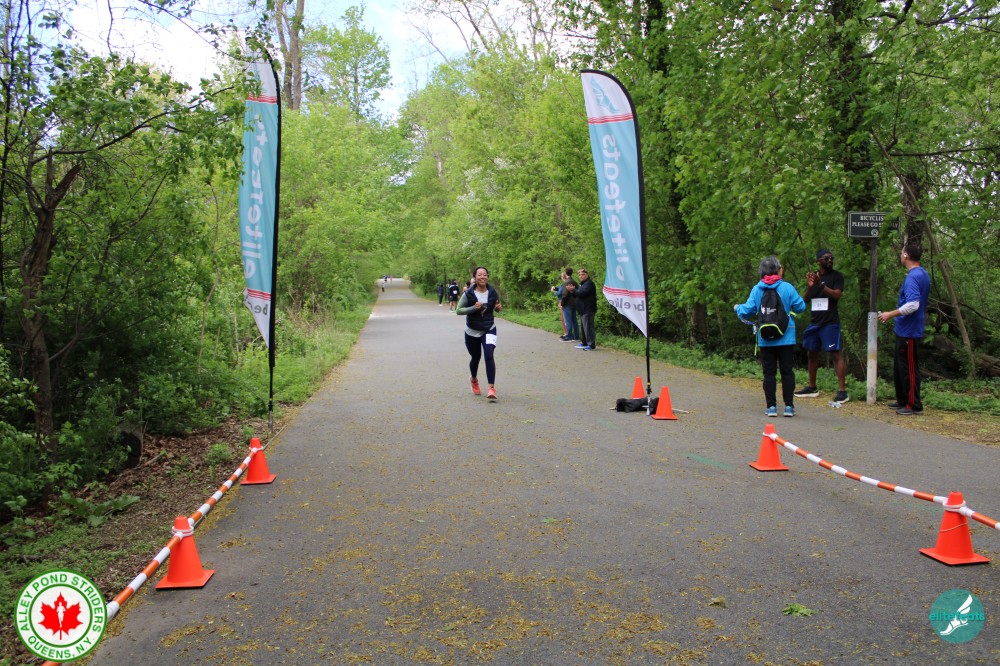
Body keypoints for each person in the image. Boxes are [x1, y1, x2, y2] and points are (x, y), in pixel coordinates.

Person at [734, 256, 806, 417]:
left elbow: (747, 310)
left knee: (769, 373)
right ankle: (789, 407)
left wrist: (737, 308)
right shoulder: (787, 287)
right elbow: (800, 307)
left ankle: (771, 407)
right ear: (777, 270)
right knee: (787, 372)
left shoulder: (757, 289)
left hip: (765, 338)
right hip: (786, 337)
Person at [878, 241, 931, 415]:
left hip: (910, 330)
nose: (900, 255)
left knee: (909, 368)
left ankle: (913, 405)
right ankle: (902, 400)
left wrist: (890, 314)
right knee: (900, 367)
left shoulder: (913, 277)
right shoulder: (921, 273)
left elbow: (913, 305)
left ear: (906, 255)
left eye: (902, 253)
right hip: (904, 329)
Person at [795, 249, 849, 403]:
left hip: (830, 322)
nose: (830, 260)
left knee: (835, 353)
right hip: (815, 322)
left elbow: (837, 295)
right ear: (818, 261)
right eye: (826, 258)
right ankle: (812, 387)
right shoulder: (814, 277)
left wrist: (821, 285)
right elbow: (805, 300)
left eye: (831, 258)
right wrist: (811, 286)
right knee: (811, 353)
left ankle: (842, 391)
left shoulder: (837, 276)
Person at [457, 266, 502, 400]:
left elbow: (496, 307)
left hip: (489, 328)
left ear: (487, 277)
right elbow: (459, 310)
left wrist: (498, 308)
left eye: (485, 275)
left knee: (489, 355)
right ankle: (474, 379)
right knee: (475, 357)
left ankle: (491, 388)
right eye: (480, 275)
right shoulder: (468, 294)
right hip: (472, 331)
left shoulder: (493, 292)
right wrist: (473, 308)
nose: (483, 277)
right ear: (475, 277)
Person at [566, 267, 597, 350]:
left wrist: (574, 290)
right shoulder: (583, 284)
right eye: (579, 275)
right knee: (583, 328)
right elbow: (578, 294)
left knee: (588, 328)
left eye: (583, 274)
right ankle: (584, 343)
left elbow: (581, 293)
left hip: (588, 309)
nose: (581, 276)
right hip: (582, 309)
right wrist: (572, 291)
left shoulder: (589, 283)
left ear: (587, 275)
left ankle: (591, 345)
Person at [551, 268, 579, 342]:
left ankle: (569, 336)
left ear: (566, 273)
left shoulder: (566, 282)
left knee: (568, 320)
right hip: (574, 303)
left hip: (567, 304)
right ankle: (576, 336)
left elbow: (564, 294)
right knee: (574, 320)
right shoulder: (575, 282)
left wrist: (562, 303)